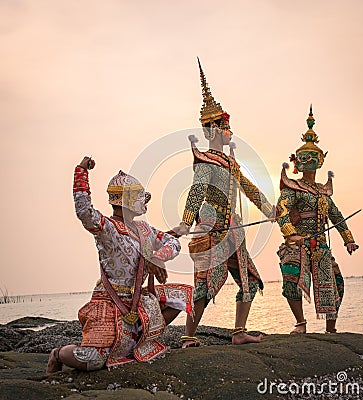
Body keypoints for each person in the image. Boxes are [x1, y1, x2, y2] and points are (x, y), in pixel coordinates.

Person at [46, 157, 193, 374]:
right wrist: (81, 173)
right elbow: (84, 212)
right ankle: (58, 354)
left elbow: (172, 243)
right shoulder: (107, 228)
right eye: (139, 197)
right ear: (127, 200)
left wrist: (156, 257)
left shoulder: (144, 229)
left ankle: (137, 341)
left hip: (137, 299)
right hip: (110, 301)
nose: (144, 202)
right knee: (94, 361)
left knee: (183, 297)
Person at [172, 60, 275, 348]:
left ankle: (238, 331)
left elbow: (249, 188)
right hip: (212, 227)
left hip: (234, 230)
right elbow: (197, 190)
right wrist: (185, 221)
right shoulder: (205, 160)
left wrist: (270, 210)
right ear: (214, 129)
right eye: (226, 126)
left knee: (250, 281)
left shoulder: (230, 162)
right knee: (205, 286)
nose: (230, 131)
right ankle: (188, 336)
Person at [276, 106, 359, 334]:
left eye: (313, 157)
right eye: (304, 157)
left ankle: (331, 329)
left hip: (320, 245)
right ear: (298, 162)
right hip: (298, 243)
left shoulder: (323, 192)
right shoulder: (293, 188)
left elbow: (337, 217)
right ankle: (301, 323)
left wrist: (348, 239)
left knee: (336, 284)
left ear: (319, 161)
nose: (308, 161)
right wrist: (292, 234)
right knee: (290, 277)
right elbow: (281, 211)